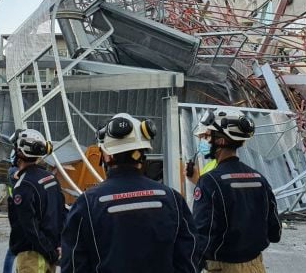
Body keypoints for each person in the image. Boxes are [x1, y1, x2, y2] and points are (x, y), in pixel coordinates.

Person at [61, 113, 198, 272]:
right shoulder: (171, 199)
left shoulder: (88, 204)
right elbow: (189, 257)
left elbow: (73, 264)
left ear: (107, 155)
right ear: (142, 151)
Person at [192, 108, 282, 272]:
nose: (203, 141)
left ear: (220, 141)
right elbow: (275, 232)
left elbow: (202, 234)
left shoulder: (209, 182)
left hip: (222, 268)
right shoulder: (259, 178)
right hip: (256, 266)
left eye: (207, 136)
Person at [8, 129, 65, 273]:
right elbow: (61, 213)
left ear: (20, 152)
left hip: (32, 257)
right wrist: (56, 247)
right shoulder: (51, 178)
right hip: (51, 252)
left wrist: (49, 252)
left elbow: (29, 227)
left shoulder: (23, 186)